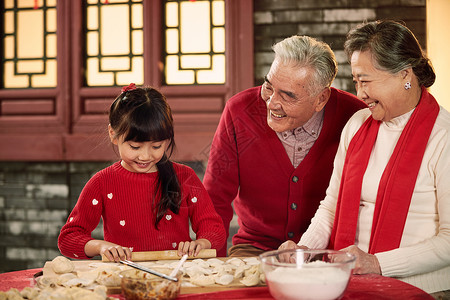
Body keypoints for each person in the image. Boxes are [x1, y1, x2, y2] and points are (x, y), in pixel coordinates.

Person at [279, 20, 450, 295]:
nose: (360, 94)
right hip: (350, 282)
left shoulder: (444, 137)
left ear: (405, 75)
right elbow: (331, 206)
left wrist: (377, 263)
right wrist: (305, 249)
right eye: (356, 81)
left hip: (423, 290)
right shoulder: (358, 124)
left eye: (366, 81)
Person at [203, 35, 367, 257]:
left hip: (327, 250)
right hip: (255, 249)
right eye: (269, 87)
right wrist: (213, 262)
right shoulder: (239, 112)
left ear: (320, 98)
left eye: (288, 95)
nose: (271, 103)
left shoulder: (354, 116)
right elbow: (215, 196)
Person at [58, 84, 226, 262]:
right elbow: (68, 238)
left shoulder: (184, 176)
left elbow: (213, 227)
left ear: (167, 139)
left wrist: (202, 243)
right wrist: (101, 246)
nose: (145, 156)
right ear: (113, 134)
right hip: (123, 278)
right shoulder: (102, 182)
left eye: (156, 146)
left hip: (177, 276)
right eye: (135, 147)